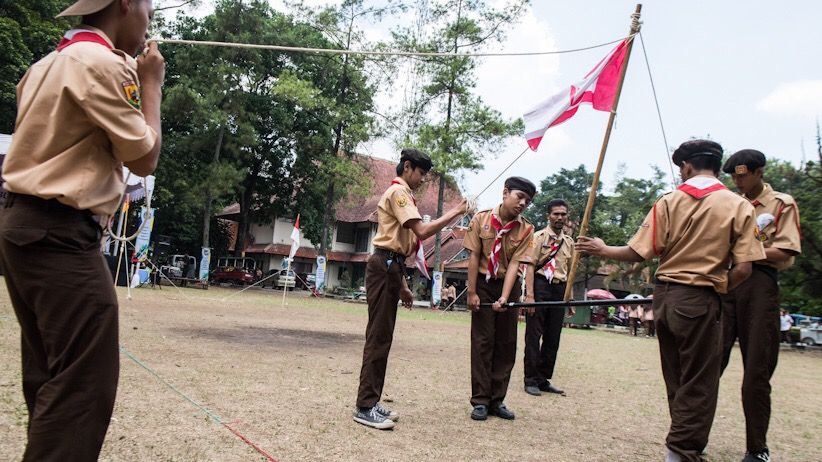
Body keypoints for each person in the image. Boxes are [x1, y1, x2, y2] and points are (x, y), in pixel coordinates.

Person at [0, 0, 164, 459]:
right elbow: (143, 156)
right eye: (149, 10)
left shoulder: (45, 65)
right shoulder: (103, 65)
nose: (149, 21)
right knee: (82, 386)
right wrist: (151, 84)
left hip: (21, 227)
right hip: (61, 234)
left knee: (51, 375)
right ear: (125, 4)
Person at [575, 140, 765, 462]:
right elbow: (745, 268)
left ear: (687, 166)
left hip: (663, 298)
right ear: (715, 166)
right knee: (700, 383)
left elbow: (637, 252)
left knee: (677, 378)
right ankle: (680, 452)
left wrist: (602, 248)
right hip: (702, 298)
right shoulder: (739, 205)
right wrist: (717, 286)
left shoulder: (668, 201)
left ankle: (682, 444)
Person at [354, 148, 470, 430]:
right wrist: (456, 211)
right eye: (421, 174)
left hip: (392, 267)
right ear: (407, 167)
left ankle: (372, 400)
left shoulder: (405, 195)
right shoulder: (398, 193)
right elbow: (420, 232)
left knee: (384, 337)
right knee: (378, 337)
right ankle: (364, 406)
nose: (422, 180)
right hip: (384, 265)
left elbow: (402, 245)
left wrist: (403, 285)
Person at [718, 149, 802, 462]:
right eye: (733, 177)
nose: (738, 181)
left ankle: (757, 449)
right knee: (710, 363)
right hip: (726, 284)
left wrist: (747, 252)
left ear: (759, 172)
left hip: (760, 286)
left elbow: (786, 252)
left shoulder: (781, 204)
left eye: (742, 175)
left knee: (756, 370)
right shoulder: (729, 203)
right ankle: (691, 437)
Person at [464, 177, 536, 421]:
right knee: (483, 342)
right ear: (505, 193)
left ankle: (497, 400)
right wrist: (472, 292)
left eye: (527, 200)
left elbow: (516, 263)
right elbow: (474, 256)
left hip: (508, 284)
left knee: (506, 344)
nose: (523, 203)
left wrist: (505, 297)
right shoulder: (481, 219)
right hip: (483, 284)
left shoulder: (526, 229)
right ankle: (481, 400)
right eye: (519, 197)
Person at [522, 198, 575, 397]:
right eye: (556, 214)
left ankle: (543, 378)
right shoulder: (538, 237)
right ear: (548, 216)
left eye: (563, 214)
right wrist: (529, 295)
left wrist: (569, 298)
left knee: (553, 337)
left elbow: (569, 271)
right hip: (540, 285)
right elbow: (529, 267)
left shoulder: (569, 242)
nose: (560, 217)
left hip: (559, 289)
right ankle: (530, 379)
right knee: (534, 335)